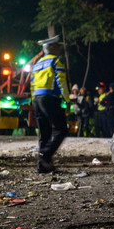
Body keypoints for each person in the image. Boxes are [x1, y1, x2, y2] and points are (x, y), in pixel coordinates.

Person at [31, 35, 71, 173]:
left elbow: (32, 85)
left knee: (44, 132)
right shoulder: (56, 61)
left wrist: (34, 102)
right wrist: (67, 99)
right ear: (52, 47)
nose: (59, 49)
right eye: (58, 46)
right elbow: (61, 81)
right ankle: (45, 155)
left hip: (37, 99)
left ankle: (42, 166)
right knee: (61, 129)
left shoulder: (37, 64)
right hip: (49, 98)